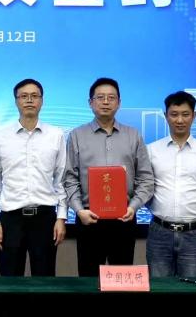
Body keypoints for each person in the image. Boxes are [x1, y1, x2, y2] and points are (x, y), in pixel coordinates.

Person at [62, 77, 154, 277]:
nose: (106, 102)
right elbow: (69, 178)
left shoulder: (133, 135)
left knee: (121, 281)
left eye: (111, 98)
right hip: (88, 220)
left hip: (124, 219)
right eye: (100, 97)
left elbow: (146, 179)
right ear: (90, 102)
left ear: (119, 103)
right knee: (88, 281)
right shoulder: (76, 135)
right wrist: (79, 210)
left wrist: (133, 207)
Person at [0, 78, 67, 276]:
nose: (29, 100)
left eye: (34, 96)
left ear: (42, 101)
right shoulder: (0, 137)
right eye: (24, 96)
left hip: (45, 219)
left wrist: (61, 217)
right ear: (16, 101)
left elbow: (61, 180)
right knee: (10, 282)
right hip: (11, 219)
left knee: (45, 280)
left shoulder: (56, 135)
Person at [145, 90, 196, 278]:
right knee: (160, 288)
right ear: (166, 116)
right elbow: (145, 188)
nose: (179, 120)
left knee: (191, 290)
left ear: (194, 116)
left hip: (194, 233)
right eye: (174, 114)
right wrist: (156, 206)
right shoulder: (152, 150)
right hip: (159, 232)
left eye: (185, 114)